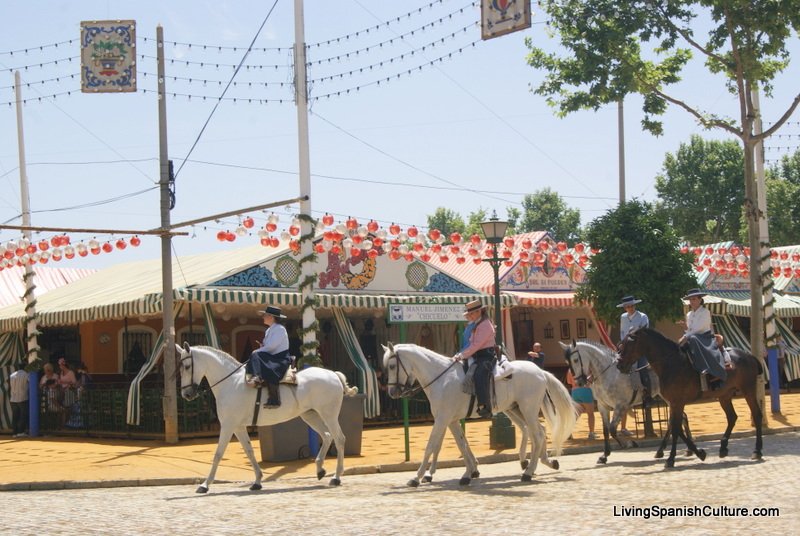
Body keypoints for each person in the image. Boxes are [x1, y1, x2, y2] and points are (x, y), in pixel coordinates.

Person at [453, 299, 496, 419]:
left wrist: (462, 355)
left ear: (479, 312)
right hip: (477, 355)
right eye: (469, 313)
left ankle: (485, 406)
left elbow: (476, 345)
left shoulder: (485, 324)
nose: (469, 315)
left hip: (486, 355)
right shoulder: (477, 324)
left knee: (479, 374)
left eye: (471, 313)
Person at [246, 306, 291, 408]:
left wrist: (257, 351)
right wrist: (262, 347)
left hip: (280, 359)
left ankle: (257, 379)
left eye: (265, 315)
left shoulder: (280, 329)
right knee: (256, 355)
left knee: (255, 355)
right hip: (273, 357)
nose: (263, 317)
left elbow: (271, 346)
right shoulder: (269, 330)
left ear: (271, 317)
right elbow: (269, 347)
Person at [678, 288, 727, 382]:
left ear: (700, 300)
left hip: (705, 338)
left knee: (692, 338)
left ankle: (705, 367)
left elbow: (698, 329)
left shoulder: (705, 312)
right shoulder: (689, 314)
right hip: (693, 337)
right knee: (682, 345)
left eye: (694, 299)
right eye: (690, 299)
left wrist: (684, 336)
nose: (692, 301)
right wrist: (685, 328)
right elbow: (690, 330)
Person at [617, 295, 653, 408]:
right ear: (625, 308)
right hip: (627, 348)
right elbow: (622, 333)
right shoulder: (623, 317)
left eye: (632, 305)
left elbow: (645, 332)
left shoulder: (643, 317)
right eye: (628, 306)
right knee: (617, 366)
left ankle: (648, 397)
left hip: (640, 348)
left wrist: (634, 335)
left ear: (635, 305)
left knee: (642, 369)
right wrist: (622, 343)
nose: (630, 308)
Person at [566, 368, 596, 440]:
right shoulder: (586, 368)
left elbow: (569, 381)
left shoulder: (570, 369)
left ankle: (568, 433)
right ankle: (591, 433)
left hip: (575, 391)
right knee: (590, 414)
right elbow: (592, 379)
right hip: (586, 390)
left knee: (575, 415)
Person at [10, 362, 29, 438]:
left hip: (13, 398)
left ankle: (14, 432)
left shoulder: (12, 375)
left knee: (15, 416)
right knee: (23, 415)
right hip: (22, 398)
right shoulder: (26, 374)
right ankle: (21, 432)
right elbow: (30, 382)